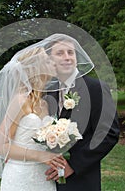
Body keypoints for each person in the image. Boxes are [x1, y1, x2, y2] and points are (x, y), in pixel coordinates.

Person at [44, 34, 120, 191]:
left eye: (70, 53)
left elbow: (109, 133)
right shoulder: (47, 92)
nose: (67, 57)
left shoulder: (95, 88)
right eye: (60, 53)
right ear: (50, 60)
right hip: (48, 179)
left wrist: (74, 165)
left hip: (83, 179)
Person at [0, 46, 66, 191]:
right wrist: (39, 155)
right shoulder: (20, 100)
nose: (53, 63)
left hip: (43, 177)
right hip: (21, 175)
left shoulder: (44, 103)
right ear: (36, 68)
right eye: (47, 60)